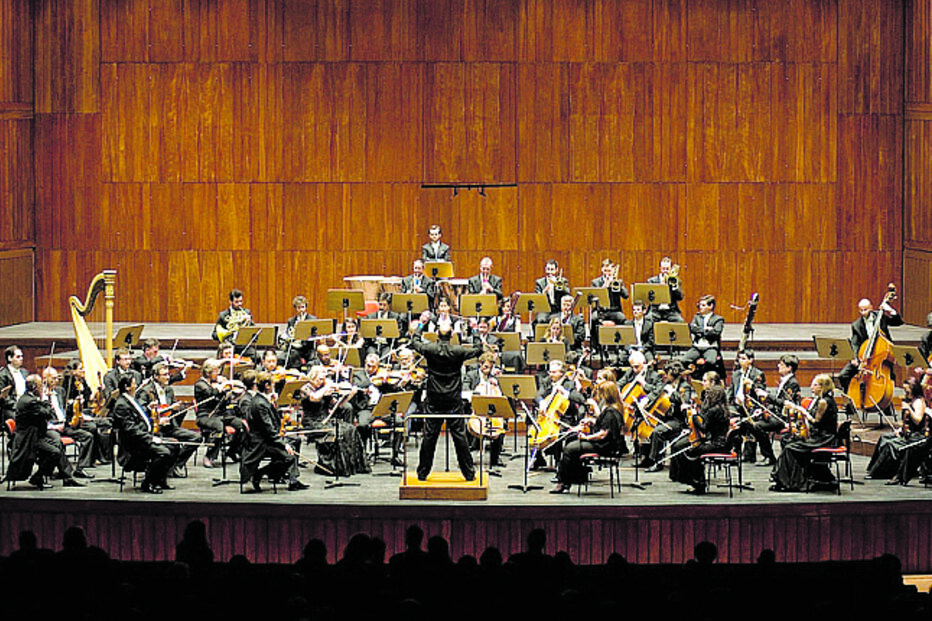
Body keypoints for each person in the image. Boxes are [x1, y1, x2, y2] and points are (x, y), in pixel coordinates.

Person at [408, 319, 483, 481]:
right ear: (452, 335)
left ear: (437, 335)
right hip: (453, 399)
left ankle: (422, 473)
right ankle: (469, 473)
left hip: (434, 398)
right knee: (459, 436)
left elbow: (414, 342)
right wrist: (475, 330)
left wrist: (421, 324)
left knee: (429, 436)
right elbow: (478, 349)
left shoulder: (430, 349)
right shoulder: (458, 351)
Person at [550, 380, 625, 493]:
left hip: (605, 446)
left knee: (569, 449)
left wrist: (586, 438)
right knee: (572, 441)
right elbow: (606, 425)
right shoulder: (615, 408)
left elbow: (602, 434)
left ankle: (564, 482)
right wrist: (592, 421)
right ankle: (576, 477)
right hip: (606, 443)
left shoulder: (611, 411)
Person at [769, 374, 839, 492]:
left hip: (823, 438)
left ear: (823, 387)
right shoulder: (820, 400)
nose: (812, 387)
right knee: (788, 441)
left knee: (791, 448)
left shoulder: (824, 402)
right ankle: (787, 479)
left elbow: (816, 422)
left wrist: (802, 411)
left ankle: (792, 483)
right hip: (819, 435)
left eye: (815, 385)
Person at [240, 371, 307, 491]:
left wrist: (275, 406)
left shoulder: (262, 400)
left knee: (294, 442)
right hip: (261, 443)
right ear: (267, 386)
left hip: (267, 439)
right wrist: (284, 444)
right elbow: (269, 430)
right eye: (272, 384)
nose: (273, 387)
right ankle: (260, 473)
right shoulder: (259, 403)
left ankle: (292, 479)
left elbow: (271, 420)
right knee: (289, 457)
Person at [299, 366, 370, 477]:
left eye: (323, 379)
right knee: (338, 433)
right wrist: (326, 387)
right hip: (312, 422)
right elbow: (314, 398)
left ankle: (350, 464)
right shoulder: (305, 388)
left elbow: (338, 404)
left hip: (326, 420)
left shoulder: (324, 388)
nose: (321, 381)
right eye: (319, 379)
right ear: (313, 377)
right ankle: (331, 465)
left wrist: (349, 394)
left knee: (350, 429)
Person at [837, 293, 904, 409]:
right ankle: (850, 402)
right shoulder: (856, 325)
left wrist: (890, 310)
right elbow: (855, 343)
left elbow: (898, 322)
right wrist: (855, 358)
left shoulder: (881, 315)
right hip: (864, 356)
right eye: (861, 310)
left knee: (887, 376)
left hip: (881, 356)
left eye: (866, 310)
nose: (864, 313)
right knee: (843, 375)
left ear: (871, 308)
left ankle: (885, 403)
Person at [111, 374, 175, 494]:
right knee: (164, 453)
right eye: (134, 383)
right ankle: (148, 483)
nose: (137, 386)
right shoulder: (121, 405)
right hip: (133, 445)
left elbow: (139, 419)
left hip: (141, 439)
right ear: (127, 386)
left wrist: (153, 416)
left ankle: (160, 480)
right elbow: (131, 429)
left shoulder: (131, 399)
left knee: (174, 445)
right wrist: (151, 438)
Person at [136, 362, 201, 478]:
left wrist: (177, 409)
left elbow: (170, 410)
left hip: (170, 427)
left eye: (168, 375)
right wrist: (157, 417)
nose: (168, 377)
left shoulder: (169, 390)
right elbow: (142, 412)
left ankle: (176, 464)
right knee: (173, 444)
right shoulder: (146, 391)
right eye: (164, 375)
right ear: (156, 376)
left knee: (196, 438)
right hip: (155, 429)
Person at [668, 378, 730, 494]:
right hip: (721, 443)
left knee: (690, 451)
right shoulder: (723, 409)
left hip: (714, 444)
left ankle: (697, 482)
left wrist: (695, 416)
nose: (707, 398)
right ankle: (696, 481)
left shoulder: (713, 410)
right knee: (688, 448)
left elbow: (704, 427)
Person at [4, 374, 65, 489]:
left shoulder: (28, 398)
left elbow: (45, 414)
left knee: (57, 444)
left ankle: (57, 475)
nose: (42, 387)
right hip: (28, 439)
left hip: (34, 435)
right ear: (35, 387)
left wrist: (43, 403)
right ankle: (37, 477)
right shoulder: (30, 402)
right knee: (54, 452)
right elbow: (48, 414)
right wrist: (46, 400)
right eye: (41, 385)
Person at [866, 375, 930, 485]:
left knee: (891, 445)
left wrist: (909, 409)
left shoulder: (918, 402)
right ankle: (873, 469)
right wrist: (900, 430)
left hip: (916, 435)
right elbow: (907, 422)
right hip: (908, 432)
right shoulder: (910, 400)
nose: (905, 392)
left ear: (913, 389)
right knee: (884, 438)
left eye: (907, 390)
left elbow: (918, 421)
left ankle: (883, 472)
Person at [745, 354, 801, 467]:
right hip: (776, 414)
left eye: (781, 364)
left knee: (757, 426)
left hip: (785, 418)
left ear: (789, 368)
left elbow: (784, 403)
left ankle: (769, 456)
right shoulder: (784, 381)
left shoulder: (793, 383)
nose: (778, 366)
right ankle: (758, 454)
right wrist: (763, 410)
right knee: (750, 421)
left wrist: (767, 395)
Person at [41, 366, 96, 479]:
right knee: (56, 441)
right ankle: (63, 472)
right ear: (45, 379)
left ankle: (80, 468)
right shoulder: (41, 394)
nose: (56, 381)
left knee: (88, 436)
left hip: (63, 424)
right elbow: (41, 416)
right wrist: (53, 426)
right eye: (53, 378)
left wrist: (75, 404)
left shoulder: (60, 391)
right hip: (50, 428)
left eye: (57, 378)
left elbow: (65, 409)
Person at [193, 360, 246, 468]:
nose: (218, 373)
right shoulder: (200, 384)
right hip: (206, 415)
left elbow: (224, 400)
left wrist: (233, 390)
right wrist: (223, 386)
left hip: (221, 414)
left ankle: (232, 450)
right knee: (219, 427)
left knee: (242, 425)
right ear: (208, 373)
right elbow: (211, 394)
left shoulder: (217, 383)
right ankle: (209, 456)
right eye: (216, 371)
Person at [729, 348, 767, 462]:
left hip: (751, 406)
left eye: (743, 358)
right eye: (739, 358)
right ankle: (735, 451)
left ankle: (749, 454)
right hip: (737, 406)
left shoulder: (757, 374)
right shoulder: (736, 374)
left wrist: (752, 384)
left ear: (751, 360)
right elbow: (731, 391)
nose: (741, 361)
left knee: (748, 421)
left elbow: (761, 393)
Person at [680, 294, 725, 377]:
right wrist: (707, 330)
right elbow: (692, 328)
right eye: (700, 305)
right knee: (684, 360)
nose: (700, 307)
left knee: (711, 361)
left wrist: (700, 331)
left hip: (710, 347)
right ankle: (694, 375)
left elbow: (716, 332)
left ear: (710, 306)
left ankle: (703, 376)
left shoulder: (718, 319)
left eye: (703, 305)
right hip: (697, 346)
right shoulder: (697, 317)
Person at [212, 289, 255, 356]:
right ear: (230, 301)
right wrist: (228, 333)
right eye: (236, 302)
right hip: (229, 345)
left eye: (241, 301)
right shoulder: (224, 315)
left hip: (243, 345)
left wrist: (250, 322)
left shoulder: (246, 313)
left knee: (255, 356)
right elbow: (214, 335)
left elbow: (253, 331)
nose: (239, 304)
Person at [280, 295, 317, 369]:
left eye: (303, 307)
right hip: (295, 347)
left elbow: (315, 334)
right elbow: (288, 333)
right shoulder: (291, 320)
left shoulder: (312, 319)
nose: (301, 310)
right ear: (295, 308)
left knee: (313, 358)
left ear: (306, 307)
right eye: (299, 308)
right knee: (284, 357)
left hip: (307, 347)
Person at [646, 257, 684, 322]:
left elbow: (680, 297)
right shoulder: (652, 281)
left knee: (680, 321)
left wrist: (674, 286)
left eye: (667, 269)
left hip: (670, 311)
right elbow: (648, 298)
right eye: (663, 269)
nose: (665, 271)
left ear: (670, 269)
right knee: (648, 320)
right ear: (660, 268)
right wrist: (661, 286)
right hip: (656, 310)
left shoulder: (676, 280)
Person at [533, 259, 567, 325]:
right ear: (545, 269)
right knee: (540, 320)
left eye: (552, 269)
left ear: (556, 270)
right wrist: (545, 291)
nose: (549, 272)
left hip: (558, 309)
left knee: (558, 320)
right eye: (548, 269)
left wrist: (556, 285)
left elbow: (567, 294)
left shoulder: (563, 281)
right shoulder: (540, 282)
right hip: (544, 310)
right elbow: (537, 299)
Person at [0, 345, 28, 421]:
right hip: (11, 408)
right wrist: (18, 406)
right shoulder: (3, 375)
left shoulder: (25, 372)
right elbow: (4, 397)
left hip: (26, 405)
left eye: (22, 356)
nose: (21, 359)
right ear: (10, 358)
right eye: (18, 357)